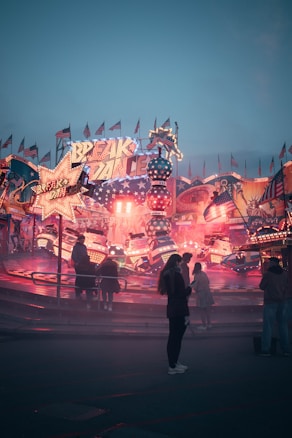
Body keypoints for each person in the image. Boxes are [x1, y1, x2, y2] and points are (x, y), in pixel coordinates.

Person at [158, 253, 192, 375]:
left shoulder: (167, 275)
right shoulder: (176, 275)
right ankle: (173, 366)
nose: (181, 265)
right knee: (177, 338)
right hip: (179, 309)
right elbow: (181, 294)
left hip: (172, 309)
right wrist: (189, 289)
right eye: (180, 262)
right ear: (177, 262)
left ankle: (173, 363)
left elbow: (172, 293)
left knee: (173, 337)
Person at [259, 257, 290, 357]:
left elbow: (262, 286)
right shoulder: (285, 274)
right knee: (283, 326)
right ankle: (286, 350)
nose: (268, 264)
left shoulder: (268, 274)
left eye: (269, 262)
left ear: (272, 263)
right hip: (283, 302)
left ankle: (266, 349)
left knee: (268, 326)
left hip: (270, 302)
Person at [191, 262, 214, 330]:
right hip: (207, 293)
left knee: (202, 310)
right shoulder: (204, 273)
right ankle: (209, 324)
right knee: (208, 310)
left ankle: (204, 325)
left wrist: (191, 287)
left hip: (201, 294)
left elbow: (194, 285)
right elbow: (208, 282)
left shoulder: (197, 275)